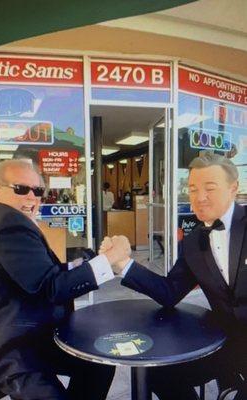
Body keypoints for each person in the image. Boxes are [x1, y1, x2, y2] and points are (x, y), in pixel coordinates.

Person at [0, 159, 130, 400]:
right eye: (21, 189)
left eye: (38, 191)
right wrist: (112, 257)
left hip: (30, 336)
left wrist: (99, 260)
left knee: (98, 362)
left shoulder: (5, 219)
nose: (32, 197)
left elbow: (47, 272)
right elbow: (51, 288)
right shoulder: (8, 222)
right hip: (7, 348)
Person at [100, 152, 247, 400]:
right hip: (225, 343)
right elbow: (169, 292)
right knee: (159, 374)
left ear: (233, 189)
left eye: (210, 188)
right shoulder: (193, 243)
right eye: (192, 189)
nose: (199, 198)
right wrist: (123, 262)